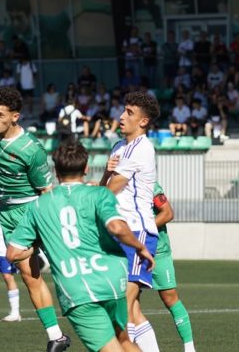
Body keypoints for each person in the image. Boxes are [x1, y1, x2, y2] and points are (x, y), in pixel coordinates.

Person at [7, 140, 155, 352]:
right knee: (124, 341)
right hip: (111, 281)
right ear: (86, 168)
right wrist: (140, 247)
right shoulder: (100, 194)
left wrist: (41, 242)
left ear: (55, 171)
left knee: (113, 348)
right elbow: (116, 227)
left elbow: (13, 254)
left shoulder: (38, 205)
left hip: (76, 289)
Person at [0, 87, 70, 351]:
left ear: (15, 116)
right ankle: (56, 336)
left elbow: (46, 191)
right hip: (6, 211)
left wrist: (52, 225)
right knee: (30, 277)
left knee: (14, 256)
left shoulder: (32, 149)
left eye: (0, 115)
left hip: (31, 210)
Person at [100, 91, 161, 351]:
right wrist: (104, 171)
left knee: (122, 307)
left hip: (137, 233)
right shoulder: (119, 147)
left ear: (143, 121)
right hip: (120, 233)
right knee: (132, 309)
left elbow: (109, 190)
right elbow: (106, 186)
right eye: (123, 110)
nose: (121, 117)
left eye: (129, 113)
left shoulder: (141, 147)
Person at [142, 182, 196, 352]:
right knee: (129, 303)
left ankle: (189, 348)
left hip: (157, 251)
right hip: (130, 252)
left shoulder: (151, 186)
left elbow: (167, 213)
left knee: (170, 298)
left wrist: (141, 231)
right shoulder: (118, 184)